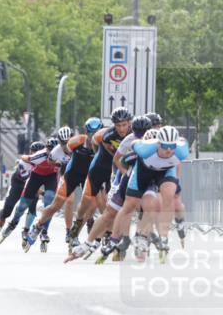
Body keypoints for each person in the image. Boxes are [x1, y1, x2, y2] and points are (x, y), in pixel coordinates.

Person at [97, 125, 188, 263]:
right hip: (144, 172)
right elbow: (132, 145)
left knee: (170, 198)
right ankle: (115, 240)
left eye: (172, 146)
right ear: (158, 143)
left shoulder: (182, 150)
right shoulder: (145, 149)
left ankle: (164, 237)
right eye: (164, 145)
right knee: (129, 206)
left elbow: (180, 150)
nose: (169, 149)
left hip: (166, 171)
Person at [26, 118, 103, 251]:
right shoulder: (76, 141)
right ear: (87, 133)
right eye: (91, 135)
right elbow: (53, 158)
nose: (94, 138)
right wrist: (58, 164)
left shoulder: (104, 144)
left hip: (88, 176)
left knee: (91, 205)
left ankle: (75, 234)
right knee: (58, 204)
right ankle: (37, 226)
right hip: (71, 175)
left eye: (97, 134)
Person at [73, 108, 133, 242]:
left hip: (122, 166)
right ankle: (77, 224)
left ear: (130, 123)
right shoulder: (106, 135)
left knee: (114, 204)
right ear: (113, 125)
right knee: (89, 201)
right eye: (118, 125)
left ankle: (115, 235)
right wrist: (102, 153)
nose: (122, 129)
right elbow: (95, 141)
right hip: (105, 166)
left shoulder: (136, 132)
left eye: (124, 125)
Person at [0, 135, 61, 247]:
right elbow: (24, 158)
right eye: (49, 151)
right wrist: (26, 157)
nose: (52, 155)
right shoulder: (40, 155)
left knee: (49, 202)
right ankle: (13, 223)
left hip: (51, 177)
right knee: (22, 206)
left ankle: (44, 231)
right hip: (35, 177)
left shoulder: (62, 156)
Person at [0, 141, 44, 228]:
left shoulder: (44, 162)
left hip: (32, 186)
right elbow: (26, 180)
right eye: (33, 152)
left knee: (32, 208)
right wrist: (41, 192)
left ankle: (26, 229)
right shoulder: (25, 162)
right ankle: (3, 215)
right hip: (19, 184)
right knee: (9, 208)